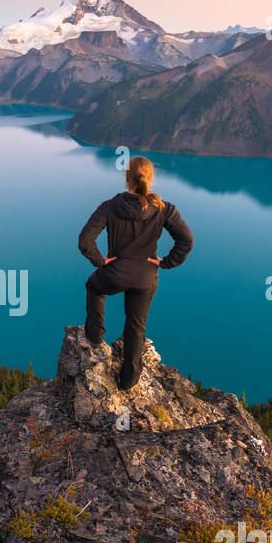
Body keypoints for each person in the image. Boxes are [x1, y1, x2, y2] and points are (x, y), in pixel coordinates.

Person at [78, 156, 194, 389]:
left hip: (115, 273)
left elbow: (85, 240)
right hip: (145, 277)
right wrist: (166, 262)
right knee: (135, 325)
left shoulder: (110, 206)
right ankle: (128, 380)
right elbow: (187, 240)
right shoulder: (164, 209)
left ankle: (95, 334)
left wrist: (100, 261)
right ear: (151, 178)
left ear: (126, 178)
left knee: (93, 286)